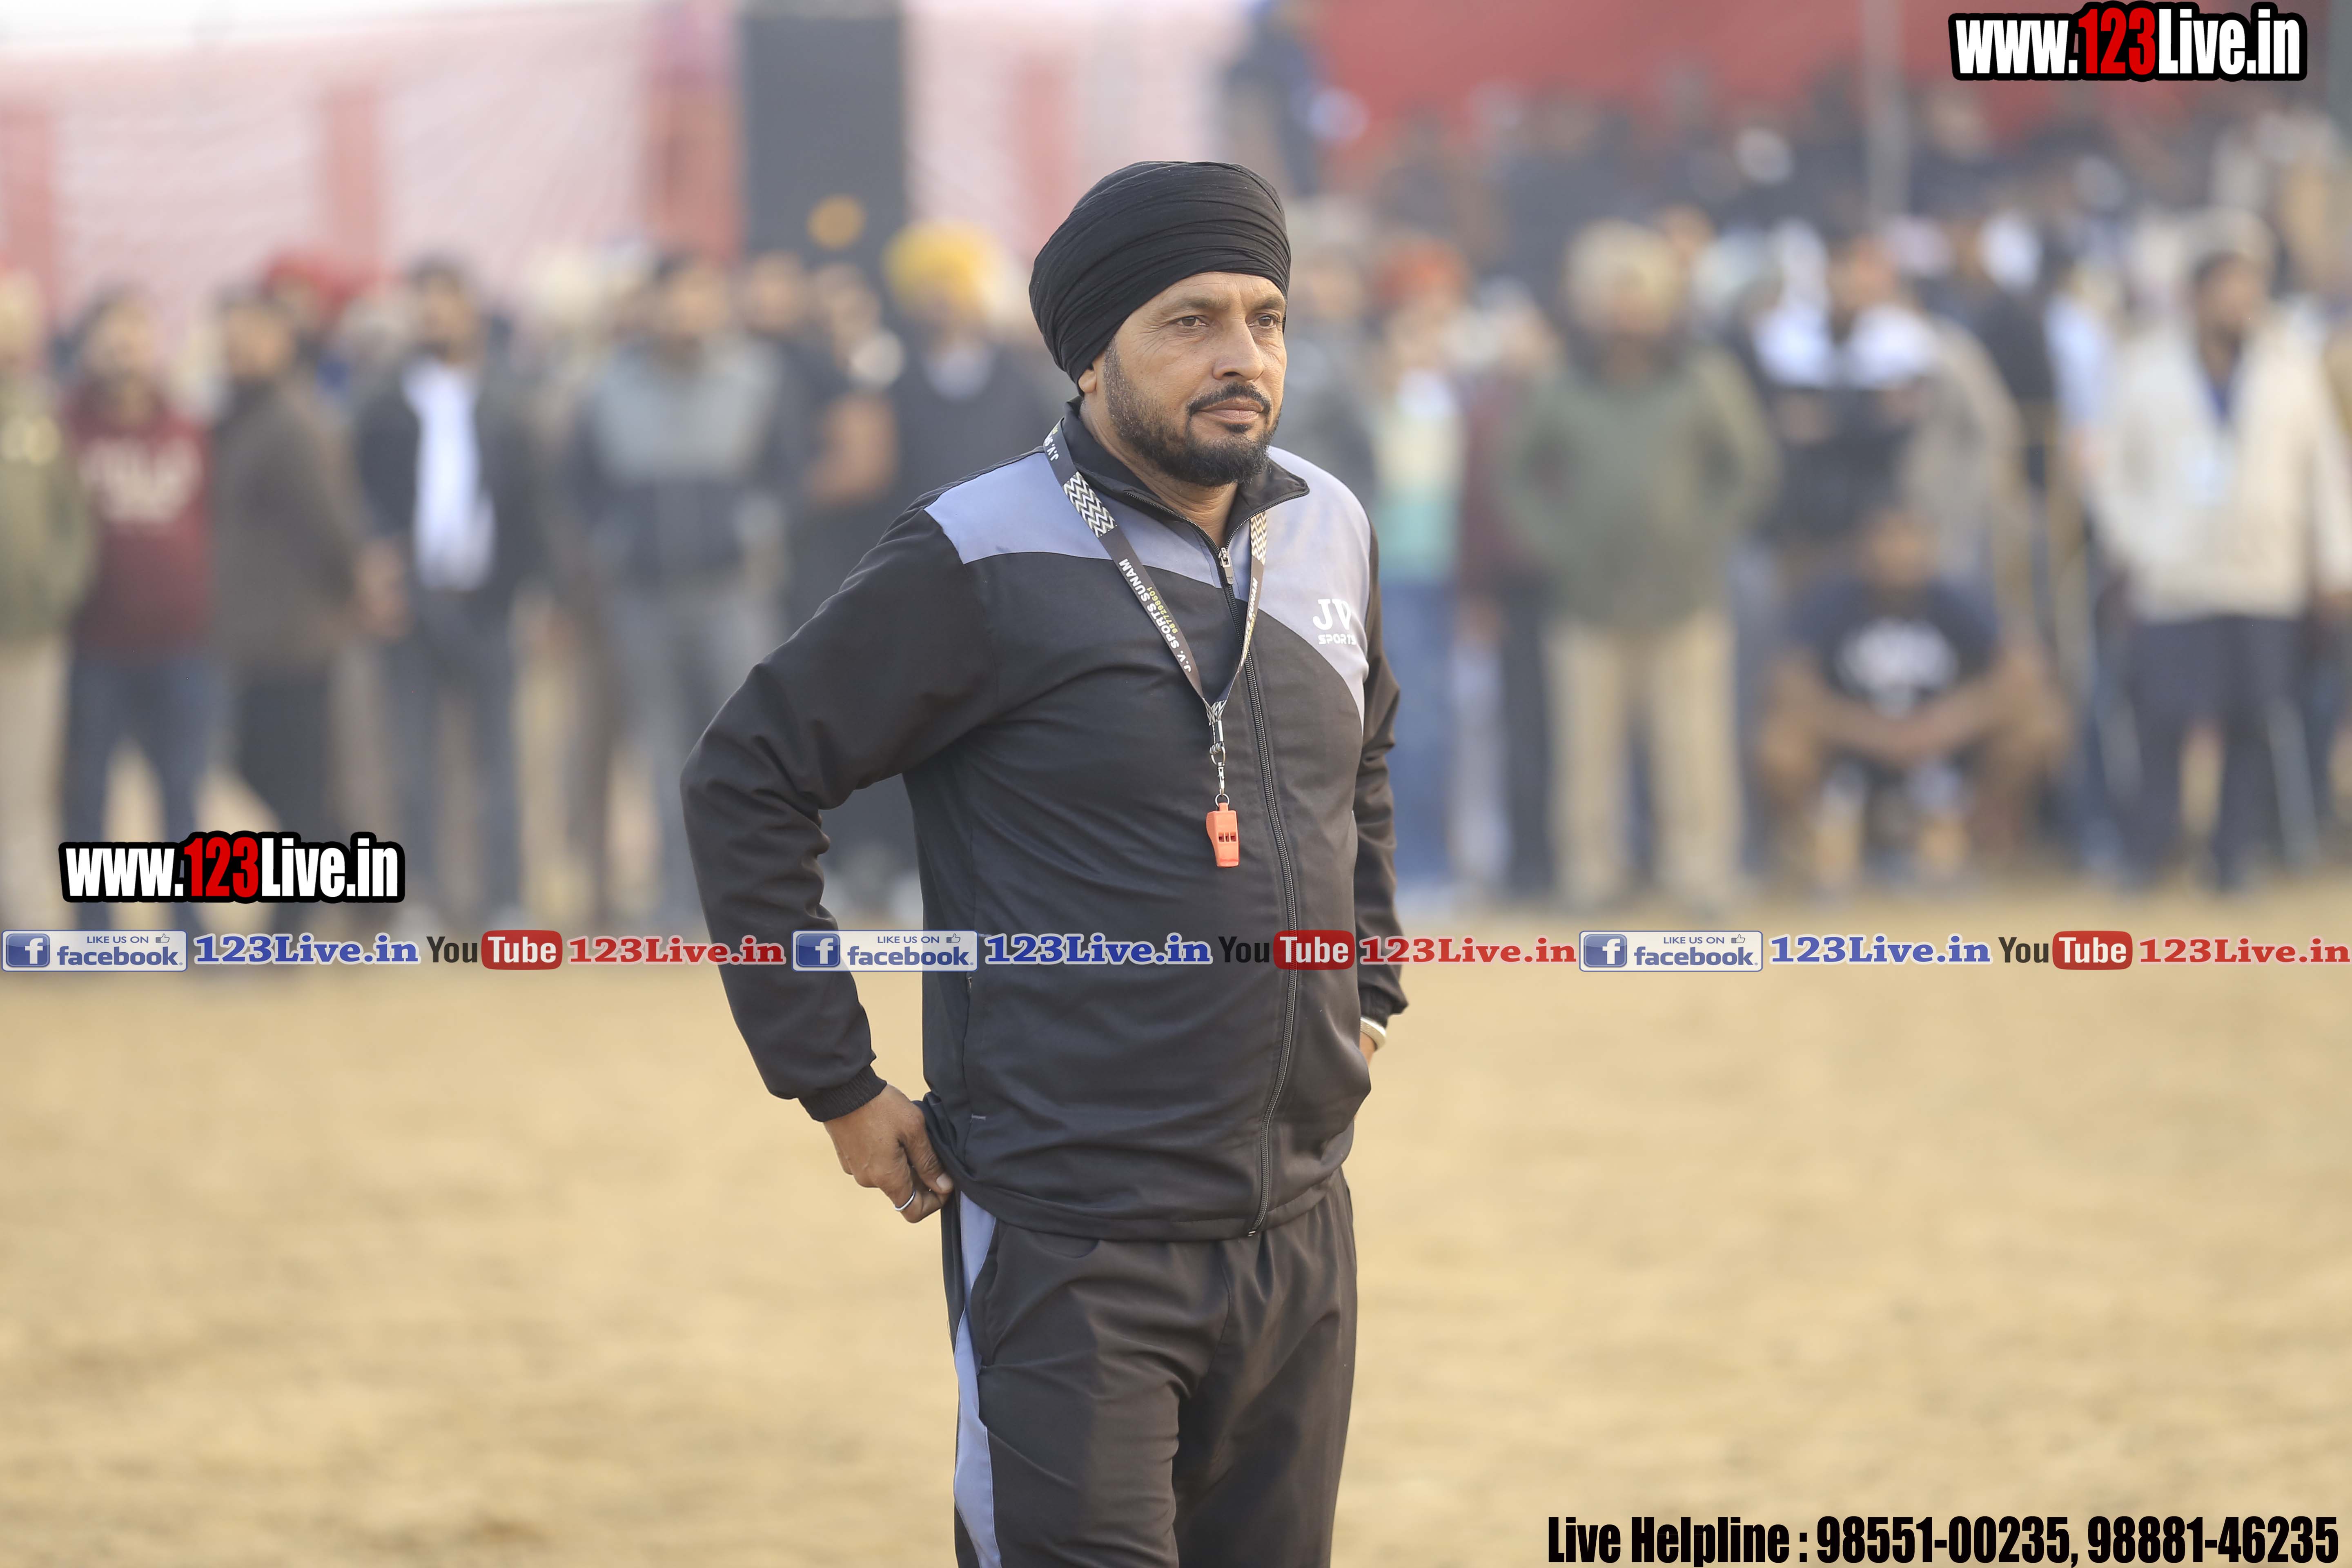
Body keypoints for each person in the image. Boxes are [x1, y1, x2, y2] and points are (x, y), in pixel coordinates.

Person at [683, 160, 1401, 1567]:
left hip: (1300, 1224)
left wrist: (1366, 980)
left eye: (1265, 317)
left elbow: (1363, 763)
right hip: (1072, 1242)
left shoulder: (1333, 527)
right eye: (1189, 321)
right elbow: (746, 778)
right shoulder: (976, 549)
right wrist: (833, 1077)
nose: (1243, 355)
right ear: (1089, 355)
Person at [1503, 221, 1778, 913]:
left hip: (1686, 595)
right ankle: (1590, 875)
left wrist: (1703, 535)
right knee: (1587, 751)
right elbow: (1517, 474)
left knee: (1694, 747)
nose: (1626, 310)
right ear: (1589, 305)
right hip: (1587, 600)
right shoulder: (1562, 386)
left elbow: (1749, 469)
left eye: (1639, 293)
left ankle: (1702, 874)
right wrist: (1554, 543)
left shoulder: (1704, 377)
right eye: (1611, 294)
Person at [2094, 237, 2352, 889]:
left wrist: (2334, 563)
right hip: (2173, 575)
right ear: (2196, 296)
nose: (2240, 302)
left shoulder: (2290, 370)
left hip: (2264, 573)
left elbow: (2323, 472)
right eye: (2227, 288)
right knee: (2162, 718)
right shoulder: (2145, 368)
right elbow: (2111, 471)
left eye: (2250, 288)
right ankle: (2149, 851)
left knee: (2253, 718)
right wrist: (2137, 544)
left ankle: (2234, 857)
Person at [570, 252, 791, 932]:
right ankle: (677, 896)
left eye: (699, 295)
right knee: (663, 751)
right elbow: (580, 484)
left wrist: (754, 532)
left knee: (746, 744)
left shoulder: (755, 379)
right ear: (651, 306)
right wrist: (611, 544)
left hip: (732, 594)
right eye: (672, 297)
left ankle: (754, 895)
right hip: (642, 598)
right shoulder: (608, 388)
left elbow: (787, 471)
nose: (685, 310)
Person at [352, 257, 546, 928]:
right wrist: (374, 570)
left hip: (490, 599)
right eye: (424, 301)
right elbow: (359, 496)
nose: (435, 314)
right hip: (412, 601)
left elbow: (534, 505)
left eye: (448, 300)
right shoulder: (382, 403)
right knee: (412, 764)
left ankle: (504, 898)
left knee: (499, 760)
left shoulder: (508, 401)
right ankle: (421, 899)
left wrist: (537, 592)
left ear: (472, 311)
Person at [1757, 501, 2068, 889]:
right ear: (1864, 548)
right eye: (1886, 540)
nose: (1897, 554)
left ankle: (1977, 839)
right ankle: (1815, 844)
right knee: (1781, 744)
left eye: (1908, 540)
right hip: (1852, 750)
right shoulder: (1832, 599)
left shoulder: (1954, 598)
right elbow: (1787, 682)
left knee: (2040, 725)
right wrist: (1869, 731)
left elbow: (2026, 668)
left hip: (1943, 752)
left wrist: (1947, 723)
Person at [211, 288, 366, 927]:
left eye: (254, 335)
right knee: (258, 765)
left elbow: (334, 526)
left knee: (293, 774)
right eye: (232, 336)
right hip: (249, 634)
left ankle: (296, 912)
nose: (240, 348)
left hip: (296, 633)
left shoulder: (293, 423)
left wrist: (351, 589)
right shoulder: (237, 418)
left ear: (282, 341)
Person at [62, 288, 212, 931]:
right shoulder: (65, 430)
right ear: (90, 347)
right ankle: (96, 925)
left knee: (182, 790)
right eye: (113, 336)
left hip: (183, 643)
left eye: (137, 334)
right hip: (95, 643)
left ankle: (187, 920)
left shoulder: (189, 429)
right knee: (89, 791)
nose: (126, 350)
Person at [0, 264, 93, 929]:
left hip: (32, 635)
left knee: (25, 784)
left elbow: (76, 520)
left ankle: (31, 921)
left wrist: (58, 590)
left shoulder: (41, 416)